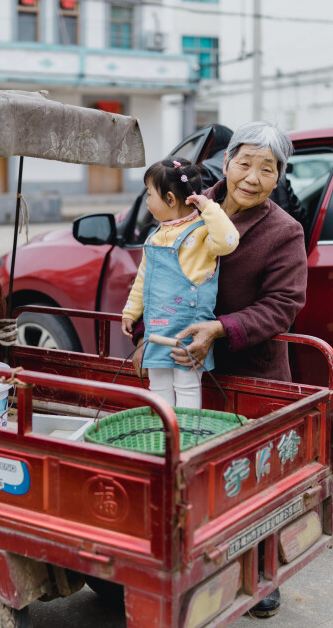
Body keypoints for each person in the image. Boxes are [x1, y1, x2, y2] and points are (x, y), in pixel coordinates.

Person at [134, 121, 307, 617]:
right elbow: (155, 268)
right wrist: (144, 325)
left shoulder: (283, 231)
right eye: (244, 162)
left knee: (249, 477)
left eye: (267, 168)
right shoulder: (184, 201)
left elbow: (283, 305)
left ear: (279, 178)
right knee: (189, 469)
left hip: (246, 370)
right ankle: (197, 562)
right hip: (179, 358)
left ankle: (261, 568)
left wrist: (219, 329)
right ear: (226, 163)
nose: (252, 177)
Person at [121, 157, 239, 408]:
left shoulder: (202, 231)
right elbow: (144, 278)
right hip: (158, 329)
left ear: (171, 200)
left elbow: (229, 241)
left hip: (190, 332)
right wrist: (131, 312)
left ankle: (184, 440)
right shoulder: (156, 235)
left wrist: (209, 208)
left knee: (187, 388)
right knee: (158, 386)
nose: (147, 202)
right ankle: (165, 437)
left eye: (149, 194)